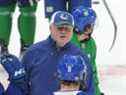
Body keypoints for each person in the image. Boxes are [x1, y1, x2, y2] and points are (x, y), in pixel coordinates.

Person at [0, 11, 95, 95]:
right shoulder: (33, 53)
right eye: (60, 28)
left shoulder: (80, 56)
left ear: (72, 30)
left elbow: (90, 89)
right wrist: (17, 83)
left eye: (67, 28)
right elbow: (22, 89)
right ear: (51, 28)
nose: (63, 32)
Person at [71, 6, 101, 95]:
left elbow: (92, 70)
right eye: (91, 24)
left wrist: (97, 92)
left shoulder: (91, 43)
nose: (93, 27)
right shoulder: (66, 42)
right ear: (84, 25)